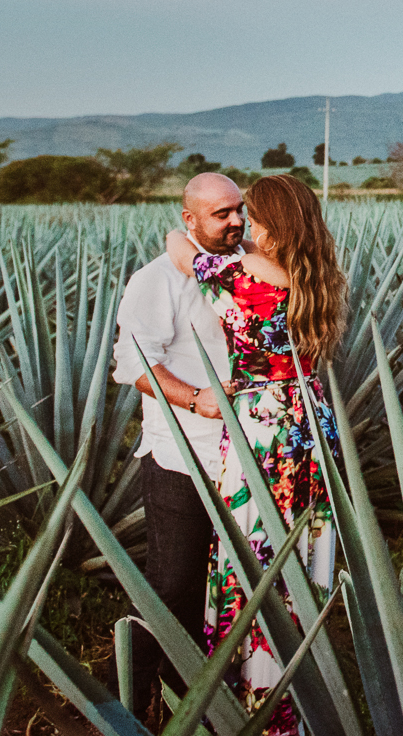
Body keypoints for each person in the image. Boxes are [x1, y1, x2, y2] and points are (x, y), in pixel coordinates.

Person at [162, 173, 343, 734]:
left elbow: (177, 246)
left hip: (261, 432)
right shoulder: (321, 278)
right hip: (312, 425)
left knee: (255, 559)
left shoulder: (239, 277)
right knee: (305, 561)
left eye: (252, 215)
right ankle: (302, 688)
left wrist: (221, 237)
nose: (244, 223)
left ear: (269, 224)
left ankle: (257, 701)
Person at [109, 172, 245, 725]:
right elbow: (132, 361)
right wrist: (195, 398)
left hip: (248, 460)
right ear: (188, 220)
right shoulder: (156, 280)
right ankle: (133, 708)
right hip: (180, 455)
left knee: (234, 585)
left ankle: (209, 705)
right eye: (221, 214)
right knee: (173, 585)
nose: (235, 220)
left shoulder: (246, 272)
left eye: (239, 210)